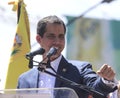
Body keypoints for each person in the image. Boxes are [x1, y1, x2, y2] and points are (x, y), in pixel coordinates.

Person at [17, 15, 117, 98]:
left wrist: (106, 80)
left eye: (61, 36)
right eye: (51, 36)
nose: (57, 42)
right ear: (39, 39)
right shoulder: (24, 79)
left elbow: (96, 89)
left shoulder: (80, 69)